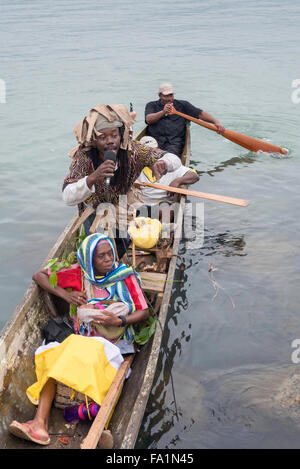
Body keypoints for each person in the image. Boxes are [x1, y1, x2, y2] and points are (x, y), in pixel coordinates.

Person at [8, 233, 149, 446]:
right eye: (101, 256)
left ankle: (99, 427)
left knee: (102, 369)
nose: (108, 259)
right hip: (84, 337)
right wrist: (67, 296)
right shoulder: (79, 274)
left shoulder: (125, 276)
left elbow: (144, 312)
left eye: (110, 253)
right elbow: (39, 276)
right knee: (57, 360)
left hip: (115, 341)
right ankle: (39, 423)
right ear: (89, 261)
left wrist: (119, 320)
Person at [62, 104, 181, 257]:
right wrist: (93, 177)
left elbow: (173, 158)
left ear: (121, 135)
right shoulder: (84, 158)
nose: (110, 141)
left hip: (122, 206)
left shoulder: (133, 151)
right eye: (103, 137)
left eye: (114, 135)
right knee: (98, 253)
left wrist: (164, 164)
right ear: (94, 140)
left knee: (122, 245)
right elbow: (67, 196)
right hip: (94, 212)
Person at [145, 83, 225, 156]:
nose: (169, 98)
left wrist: (216, 122)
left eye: (171, 95)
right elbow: (149, 120)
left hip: (174, 143)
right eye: (166, 96)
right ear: (160, 95)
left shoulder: (183, 105)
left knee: (169, 156)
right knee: (148, 152)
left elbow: (200, 114)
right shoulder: (151, 105)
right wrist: (163, 112)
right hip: (154, 141)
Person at [136, 136, 199, 220]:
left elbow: (194, 176)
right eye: (146, 153)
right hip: (140, 205)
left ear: (158, 150)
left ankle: (164, 230)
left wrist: (178, 181)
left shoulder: (169, 165)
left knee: (167, 210)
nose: (150, 156)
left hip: (161, 205)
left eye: (153, 151)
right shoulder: (135, 167)